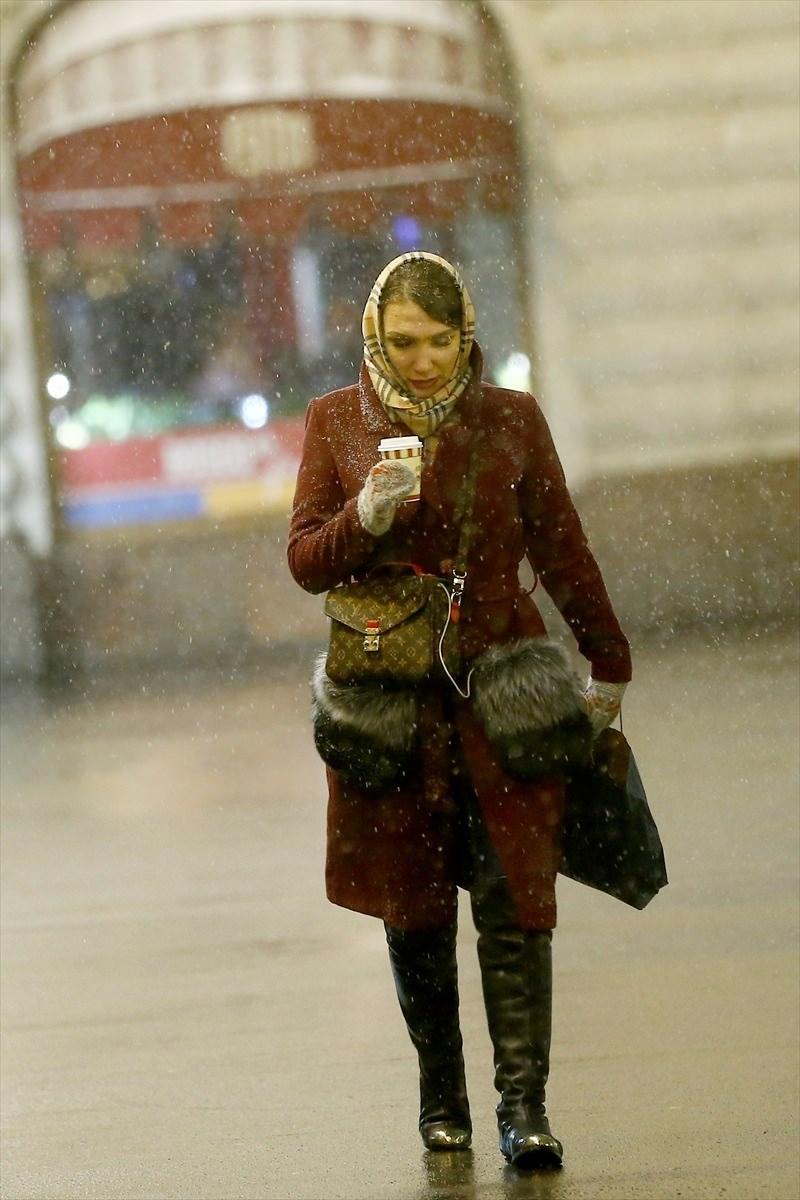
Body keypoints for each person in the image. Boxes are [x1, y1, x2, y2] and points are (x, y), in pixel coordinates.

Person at [287, 252, 631, 1170]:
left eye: (442, 341)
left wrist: (608, 658)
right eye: (405, 342)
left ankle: (525, 1108)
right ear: (375, 336)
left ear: (466, 334)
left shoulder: (510, 418)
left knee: (518, 897)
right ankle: (442, 1099)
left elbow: (562, 547)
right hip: (391, 700)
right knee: (414, 905)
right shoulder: (335, 420)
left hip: (502, 688)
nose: (425, 360)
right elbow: (306, 561)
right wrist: (367, 514)